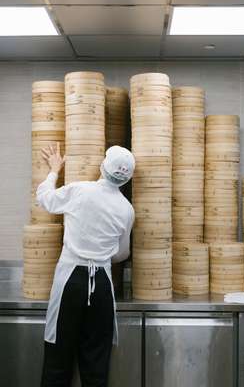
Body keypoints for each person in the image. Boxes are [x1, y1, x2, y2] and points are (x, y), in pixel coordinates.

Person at [37, 142, 135, 387]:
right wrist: (99, 253)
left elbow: (45, 199)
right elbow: (122, 254)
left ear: (102, 166)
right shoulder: (127, 210)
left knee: (58, 361)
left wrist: (54, 170)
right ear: (126, 179)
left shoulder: (80, 190)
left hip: (71, 279)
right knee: (96, 366)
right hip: (101, 283)